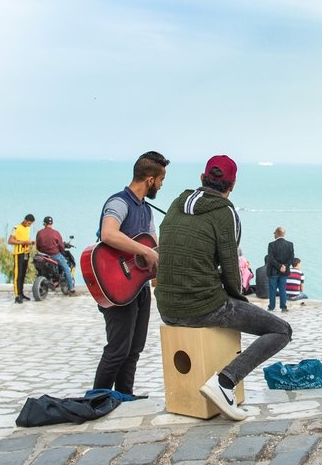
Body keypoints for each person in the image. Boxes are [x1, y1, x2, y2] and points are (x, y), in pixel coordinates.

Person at [157, 155, 292, 421]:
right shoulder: (225, 212)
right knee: (281, 330)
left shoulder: (176, 203)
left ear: (201, 178)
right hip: (202, 306)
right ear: (232, 185)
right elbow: (231, 269)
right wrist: (239, 301)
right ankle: (225, 383)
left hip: (165, 305)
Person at [91, 151, 169, 396]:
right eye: (161, 180)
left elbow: (153, 247)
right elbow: (108, 234)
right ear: (150, 180)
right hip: (116, 286)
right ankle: (96, 399)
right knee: (117, 350)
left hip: (139, 287)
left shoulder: (146, 210)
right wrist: (144, 251)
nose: (161, 185)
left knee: (134, 349)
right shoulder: (119, 203)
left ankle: (125, 396)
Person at [36, 216, 74, 293]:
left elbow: (38, 246)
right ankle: (71, 289)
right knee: (67, 269)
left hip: (42, 254)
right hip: (54, 255)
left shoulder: (39, 233)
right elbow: (61, 246)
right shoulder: (56, 233)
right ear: (52, 223)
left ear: (44, 223)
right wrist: (61, 249)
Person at [266, 226, 294, 312]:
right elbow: (291, 258)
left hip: (273, 271)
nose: (274, 235)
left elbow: (270, 259)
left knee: (272, 290)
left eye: (274, 233)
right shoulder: (290, 244)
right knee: (282, 289)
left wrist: (279, 266)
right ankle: (283, 307)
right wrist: (284, 266)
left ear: (277, 233)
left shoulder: (271, 244)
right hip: (284, 271)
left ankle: (271, 307)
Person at [8, 214, 35, 303]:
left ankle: (21, 293)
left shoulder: (28, 228)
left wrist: (30, 242)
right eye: (29, 223)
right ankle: (17, 295)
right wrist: (23, 242)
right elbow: (10, 241)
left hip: (26, 253)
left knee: (23, 274)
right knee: (17, 274)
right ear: (25, 220)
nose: (30, 225)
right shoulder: (16, 228)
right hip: (18, 253)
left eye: (31, 224)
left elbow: (25, 239)